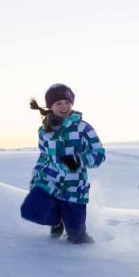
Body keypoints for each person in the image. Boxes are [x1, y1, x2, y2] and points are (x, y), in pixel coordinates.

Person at [20, 83, 105, 244]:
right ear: (50, 106)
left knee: (76, 237)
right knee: (30, 210)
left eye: (67, 102)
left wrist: (79, 160)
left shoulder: (83, 128)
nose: (64, 106)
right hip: (49, 181)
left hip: (74, 187)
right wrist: (36, 176)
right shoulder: (44, 130)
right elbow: (44, 156)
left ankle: (86, 250)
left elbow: (99, 154)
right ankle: (57, 221)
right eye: (59, 103)